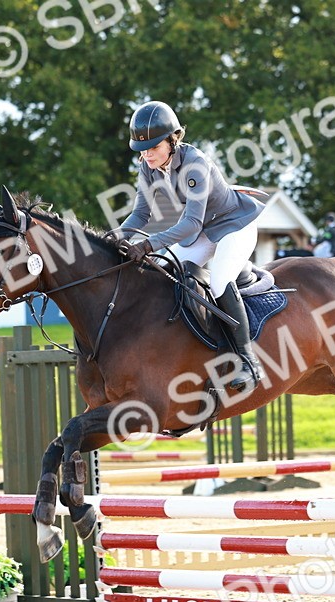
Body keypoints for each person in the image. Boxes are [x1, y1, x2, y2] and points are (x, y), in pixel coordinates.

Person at [113, 100, 267, 392]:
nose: (146, 155)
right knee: (166, 272)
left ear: (173, 140)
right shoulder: (147, 167)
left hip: (235, 224)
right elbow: (141, 214)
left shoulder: (195, 163)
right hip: (207, 229)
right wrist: (114, 237)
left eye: (153, 147)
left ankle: (249, 361)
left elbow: (192, 223)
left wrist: (148, 245)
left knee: (219, 281)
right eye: (142, 149)